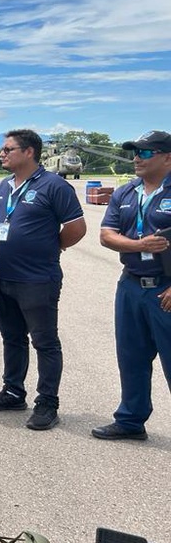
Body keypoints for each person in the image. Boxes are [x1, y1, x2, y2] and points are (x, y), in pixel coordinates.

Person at [0, 130, 86, 431]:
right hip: (3, 276)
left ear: (29, 152)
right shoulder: (4, 185)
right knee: (12, 338)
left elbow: (76, 228)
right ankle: (13, 391)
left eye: (7, 149)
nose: (1, 154)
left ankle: (47, 403)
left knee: (45, 341)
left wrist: (50, 247)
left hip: (37, 278)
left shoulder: (54, 185)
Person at [93, 130, 171, 441]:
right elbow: (106, 235)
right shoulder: (126, 193)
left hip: (166, 289)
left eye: (146, 152)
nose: (137, 157)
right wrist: (138, 244)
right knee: (132, 356)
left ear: (167, 157)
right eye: (135, 152)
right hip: (131, 286)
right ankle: (130, 420)